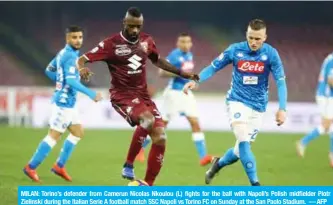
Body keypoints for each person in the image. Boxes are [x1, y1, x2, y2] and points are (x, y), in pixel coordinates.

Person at [76, 7, 199, 186]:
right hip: (122, 96)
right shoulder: (111, 44)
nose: (135, 30)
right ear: (124, 23)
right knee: (147, 120)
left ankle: (147, 184)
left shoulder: (146, 40)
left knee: (161, 136)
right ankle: (129, 164)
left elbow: (158, 60)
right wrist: (82, 68)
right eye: (131, 26)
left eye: (138, 26)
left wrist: (183, 73)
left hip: (143, 96)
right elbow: (82, 59)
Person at [183, 19, 287, 186]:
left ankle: (217, 165)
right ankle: (256, 185)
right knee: (244, 144)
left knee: (239, 151)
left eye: (258, 39)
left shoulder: (271, 54)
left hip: (258, 107)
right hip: (237, 102)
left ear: (265, 37)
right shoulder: (235, 50)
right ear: (246, 34)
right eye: (251, 37)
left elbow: (281, 82)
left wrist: (282, 108)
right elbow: (213, 67)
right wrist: (197, 80)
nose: (253, 42)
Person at [23, 26, 102, 182]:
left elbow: (49, 70)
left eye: (80, 37)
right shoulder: (70, 56)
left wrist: (60, 82)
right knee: (53, 136)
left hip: (69, 103)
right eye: (74, 37)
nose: (78, 40)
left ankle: (59, 166)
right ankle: (30, 167)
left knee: (78, 132)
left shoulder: (64, 53)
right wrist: (91, 94)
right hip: (63, 104)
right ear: (67, 39)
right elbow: (71, 80)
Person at [137, 33, 212, 166]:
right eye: (182, 42)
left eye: (188, 42)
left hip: (186, 93)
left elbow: (187, 74)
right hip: (173, 94)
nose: (185, 44)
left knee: (194, 122)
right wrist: (179, 72)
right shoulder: (174, 55)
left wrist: (191, 81)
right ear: (178, 43)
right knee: (162, 125)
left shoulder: (189, 55)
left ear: (191, 43)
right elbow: (161, 72)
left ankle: (203, 157)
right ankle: (140, 149)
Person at [297, 52, 333, 167]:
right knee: (327, 124)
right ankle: (303, 142)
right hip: (327, 96)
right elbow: (330, 80)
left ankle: (331, 155)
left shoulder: (330, 58)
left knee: (330, 125)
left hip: (325, 95)